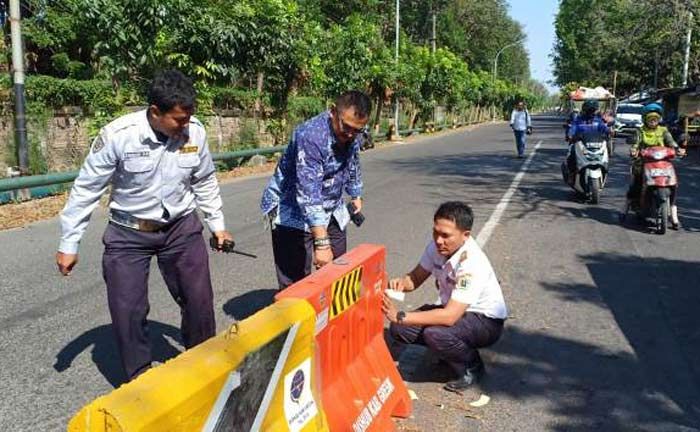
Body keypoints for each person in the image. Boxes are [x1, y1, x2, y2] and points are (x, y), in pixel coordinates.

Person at [56, 69, 233, 381]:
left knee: (199, 300)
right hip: (129, 232)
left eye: (189, 118)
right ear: (155, 112)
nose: (186, 126)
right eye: (179, 120)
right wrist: (69, 243)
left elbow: (204, 180)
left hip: (180, 226)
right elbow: (87, 188)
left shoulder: (196, 133)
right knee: (128, 311)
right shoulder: (118, 135)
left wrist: (217, 225)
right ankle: (140, 380)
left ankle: (203, 364)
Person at [382, 201, 507, 393]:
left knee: (434, 333)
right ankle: (448, 349)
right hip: (455, 310)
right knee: (399, 329)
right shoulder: (437, 248)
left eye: (445, 235)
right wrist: (402, 283)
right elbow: (415, 278)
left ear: (465, 235)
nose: (438, 240)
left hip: (485, 321)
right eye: (436, 232)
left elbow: (450, 316)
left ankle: (471, 365)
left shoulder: (472, 263)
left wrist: (400, 315)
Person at [260, 91, 371, 289]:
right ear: (333, 112)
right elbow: (308, 194)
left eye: (357, 130)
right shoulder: (311, 136)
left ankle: (329, 319)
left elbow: (352, 162)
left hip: (331, 206)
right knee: (297, 285)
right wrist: (321, 243)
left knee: (337, 272)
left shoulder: (352, 134)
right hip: (293, 208)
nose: (350, 135)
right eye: (346, 127)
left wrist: (355, 194)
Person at [627, 103, 685, 229]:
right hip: (644, 162)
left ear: (659, 119)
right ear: (645, 119)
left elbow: (671, 142)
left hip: (663, 163)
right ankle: (634, 203)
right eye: (650, 119)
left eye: (655, 119)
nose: (653, 121)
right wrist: (634, 150)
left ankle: (674, 215)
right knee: (637, 179)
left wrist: (678, 148)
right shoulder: (640, 131)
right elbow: (635, 143)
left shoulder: (663, 131)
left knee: (673, 184)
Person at [563, 99, 610, 185]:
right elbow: (572, 128)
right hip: (580, 144)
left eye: (592, 110)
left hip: (596, 145)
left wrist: (610, 131)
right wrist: (570, 135)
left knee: (606, 155)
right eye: (589, 110)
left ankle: (604, 170)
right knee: (570, 155)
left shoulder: (598, 121)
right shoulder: (579, 120)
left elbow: (605, 129)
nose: (591, 112)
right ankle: (571, 174)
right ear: (584, 110)